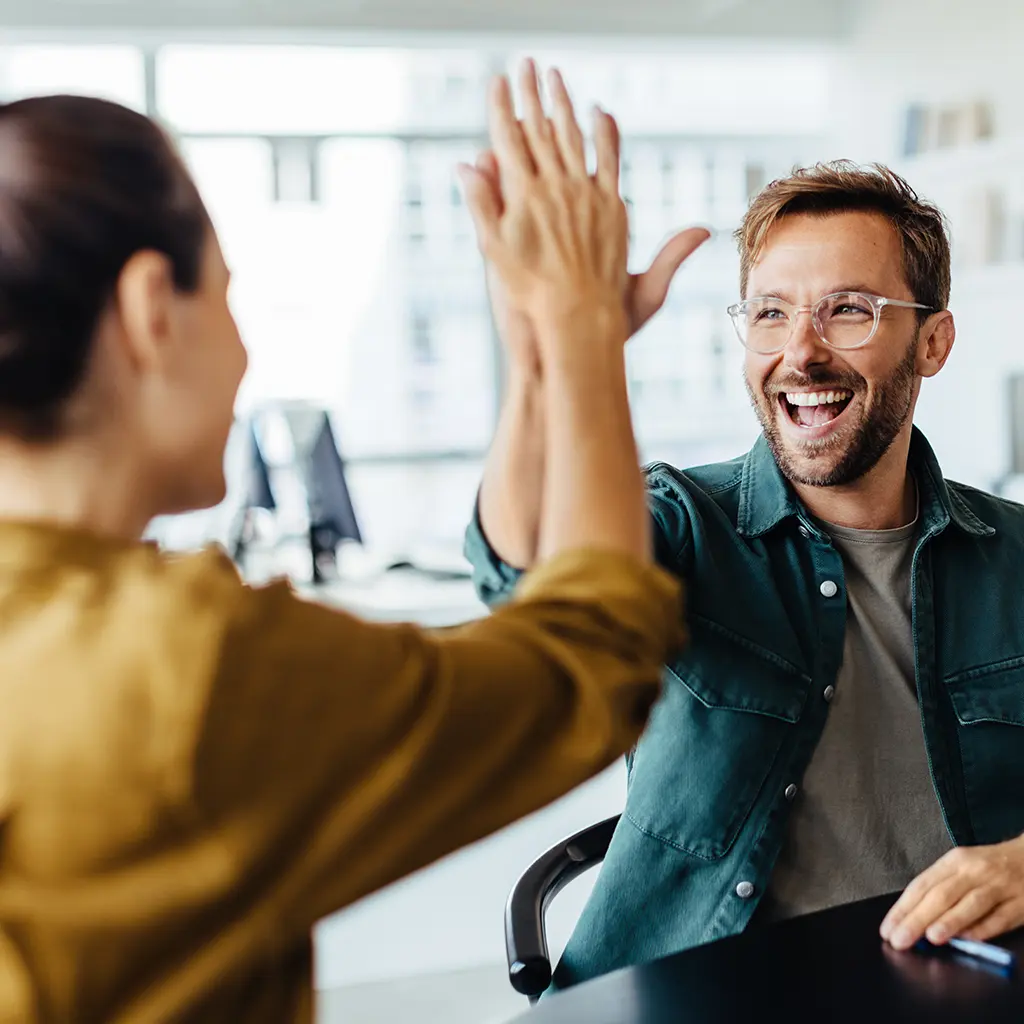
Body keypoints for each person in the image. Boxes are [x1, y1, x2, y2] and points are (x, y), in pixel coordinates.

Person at [0, 64, 685, 1022]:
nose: (243, 355)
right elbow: (592, 659)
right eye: (228, 299)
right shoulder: (176, 667)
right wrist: (580, 331)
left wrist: (541, 362)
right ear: (153, 308)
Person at [466, 157, 1024, 991]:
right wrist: (552, 356)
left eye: (847, 310)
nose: (800, 352)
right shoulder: (684, 524)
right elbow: (526, 575)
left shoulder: (1013, 555)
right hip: (693, 992)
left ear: (933, 342)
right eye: (771, 313)